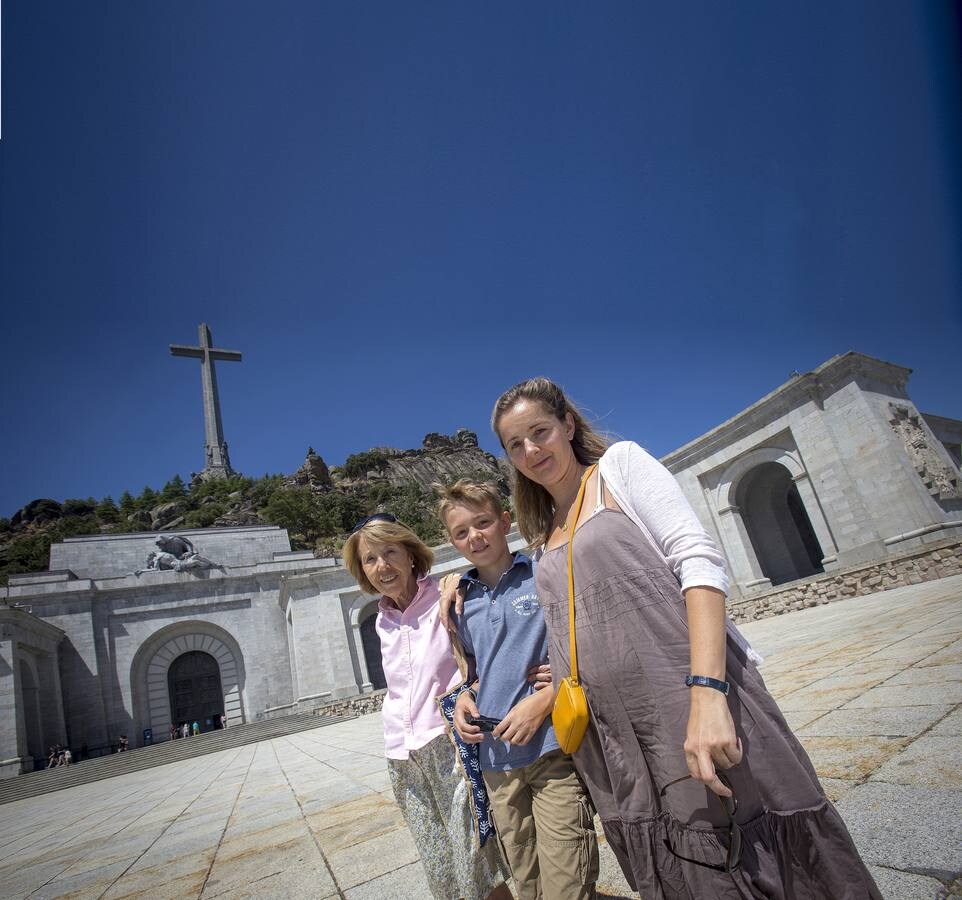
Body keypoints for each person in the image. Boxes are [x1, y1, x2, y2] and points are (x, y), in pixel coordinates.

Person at [487, 377, 881, 899]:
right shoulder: (541, 540)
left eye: (540, 431)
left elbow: (698, 561)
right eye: (516, 444)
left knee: (749, 836)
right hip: (615, 738)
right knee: (682, 868)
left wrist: (706, 693)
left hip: (684, 697)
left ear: (568, 424)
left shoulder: (618, 470)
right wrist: (546, 697)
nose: (531, 450)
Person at [439, 480, 599, 900]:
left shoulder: (542, 572)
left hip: (552, 751)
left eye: (484, 522)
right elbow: (475, 673)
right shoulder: (462, 601)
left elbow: (580, 641)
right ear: (451, 542)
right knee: (527, 883)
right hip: (496, 764)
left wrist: (550, 694)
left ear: (505, 520)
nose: (475, 536)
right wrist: (465, 699)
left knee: (569, 875)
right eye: (461, 532)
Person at [342, 513, 510, 900]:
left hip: (449, 746)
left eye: (390, 552)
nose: (382, 566)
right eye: (370, 559)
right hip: (402, 756)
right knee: (441, 869)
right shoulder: (381, 620)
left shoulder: (446, 597)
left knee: (477, 864)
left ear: (411, 555)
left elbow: (485, 656)